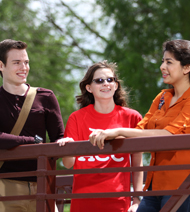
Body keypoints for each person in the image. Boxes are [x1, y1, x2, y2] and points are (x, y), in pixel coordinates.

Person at [89, 40, 190, 212]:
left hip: (185, 185)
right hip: (154, 187)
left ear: (187, 68)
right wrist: (108, 134)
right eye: (163, 61)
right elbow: (140, 131)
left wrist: (117, 130)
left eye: (169, 62)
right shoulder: (162, 97)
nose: (162, 66)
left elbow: (169, 135)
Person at [0, 39, 64, 212]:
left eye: (26, 62)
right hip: (6, 187)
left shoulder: (46, 97)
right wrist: (33, 141)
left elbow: (59, 139)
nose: (24, 67)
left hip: (43, 183)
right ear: (1, 65)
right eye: (17, 62)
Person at [57, 60, 144, 212]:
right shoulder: (76, 118)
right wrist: (68, 146)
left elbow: (137, 164)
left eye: (110, 80)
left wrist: (136, 200)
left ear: (116, 85)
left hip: (119, 203)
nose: (106, 83)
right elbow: (68, 163)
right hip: (83, 204)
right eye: (99, 81)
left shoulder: (132, 117)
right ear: (89, 87)